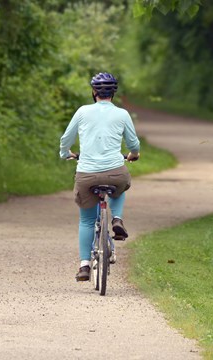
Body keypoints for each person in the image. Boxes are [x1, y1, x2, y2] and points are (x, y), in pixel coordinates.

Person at [59, 72, 140, 282]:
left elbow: (66, 138)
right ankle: (117, 218)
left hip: (86, 174)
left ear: (93, 92)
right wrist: (133, 155)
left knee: (86, 220)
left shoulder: (83, 111)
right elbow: (134, 144)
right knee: (120, 185)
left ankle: (84, 265)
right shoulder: (122, 114)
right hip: (115, 171)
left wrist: (65, 153)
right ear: (114, 93)